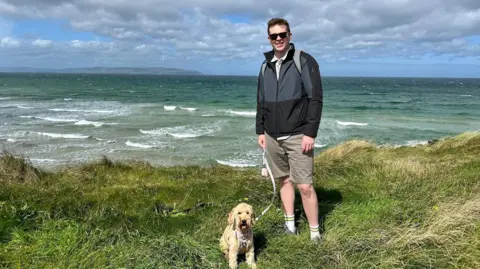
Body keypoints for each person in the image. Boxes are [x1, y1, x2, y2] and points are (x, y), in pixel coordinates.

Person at [255, 18, 323, 241]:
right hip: (272, 136)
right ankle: (290, 226)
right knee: (284, 181)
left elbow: (315, 99)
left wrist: (310, 133)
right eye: (274, 36)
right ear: (269, 38)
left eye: (282, 34)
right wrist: (260, 131)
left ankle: (315, 234)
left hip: (297, 135)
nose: (278, 39)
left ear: (290, 35)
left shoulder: (303, 60)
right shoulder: (265, 65)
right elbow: (261, 102)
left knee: (304, 186)